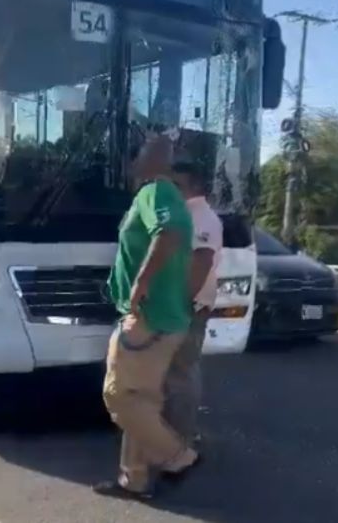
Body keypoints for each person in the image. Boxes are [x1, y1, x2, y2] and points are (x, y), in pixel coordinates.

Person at [94, 135, 200, 500]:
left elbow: (167, 233)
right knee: (142, 400)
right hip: (162, 316)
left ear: (147, 161)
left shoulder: (154, 191)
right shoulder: (171, 196)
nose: (130, 165)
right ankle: (135, 480)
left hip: (148, 316)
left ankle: (179, 457)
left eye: (135, 156)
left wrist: (139, 285)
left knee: (118, 397)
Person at [163, 158, 223, 451]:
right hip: (180, 305)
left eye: (176, 185)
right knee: (172, 373)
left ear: (195, 187)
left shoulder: (202, 218)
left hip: (189, 307)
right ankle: (172, 433)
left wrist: (181, 303)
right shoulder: (182, 214)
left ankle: (183, 438)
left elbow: (201, 263)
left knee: (182, 374)